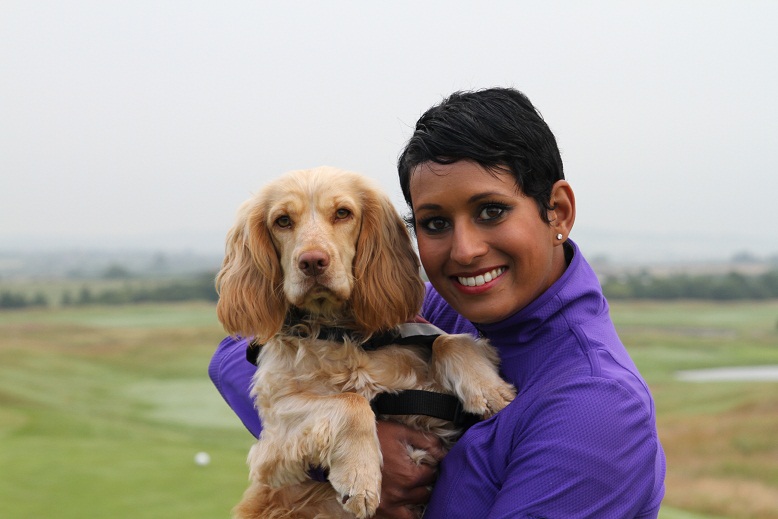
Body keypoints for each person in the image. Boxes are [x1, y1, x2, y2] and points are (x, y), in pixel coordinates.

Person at [210, 87, 666, 518]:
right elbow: (237, 349)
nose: (464, 250)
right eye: (434, 223)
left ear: (558, 211)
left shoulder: (596, 409)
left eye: (491, 211)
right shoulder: (453, 310)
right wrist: (345, 440)